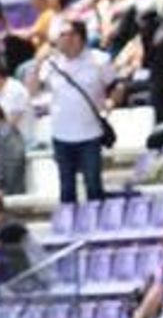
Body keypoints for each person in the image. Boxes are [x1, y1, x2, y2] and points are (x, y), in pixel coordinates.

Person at [29, 20, 114, 203]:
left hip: (90, 132)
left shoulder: (99, 60)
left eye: (62, 35)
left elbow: (114, 85)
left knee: (93, 183)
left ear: (77, 37)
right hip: (61, 133)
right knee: (66, 186)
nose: (57, 40)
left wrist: (111, 103)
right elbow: (33, 91)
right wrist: (37, 63)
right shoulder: (52, 64)